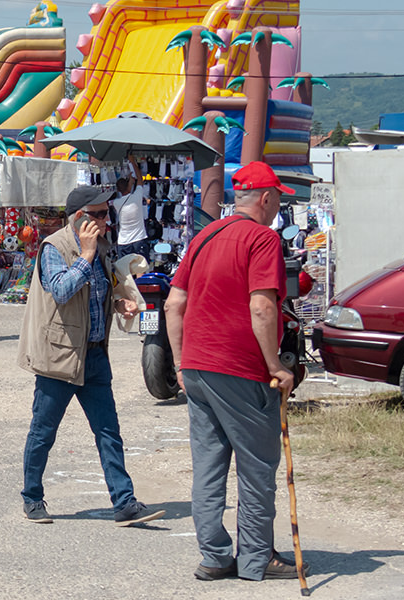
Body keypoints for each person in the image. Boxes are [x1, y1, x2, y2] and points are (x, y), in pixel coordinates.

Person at [163, 161, 305, 582]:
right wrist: (275, 365)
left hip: (199, 367)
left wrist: (180, 362)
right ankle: (257, 557)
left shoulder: (205, 236)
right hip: (239, 367)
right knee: (257, 465)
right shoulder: (263, 240)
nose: (278, 207)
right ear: (266, 199)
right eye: (277, 199)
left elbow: (174, 304)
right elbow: (261, 306)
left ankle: (214, 555)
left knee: (208, 465)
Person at [16, 186, 165, 527]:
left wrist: (118, 302)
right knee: (43, 431)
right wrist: (85, 254)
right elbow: (62, 290)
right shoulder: (55, 246)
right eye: (98, 214)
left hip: (95, 354)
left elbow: (95, 293)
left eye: (106, 213)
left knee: (108, 431)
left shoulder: (101, 247)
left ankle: (124, 503)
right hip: (60, 355)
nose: (106, 220)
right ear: (79, 217)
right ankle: (32, 497)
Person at [113, 160, 150, 260]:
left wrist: (129, 182)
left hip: (123, 242)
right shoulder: (136, 197)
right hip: (139, 239)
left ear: (118, 190)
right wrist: (133, 162)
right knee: (140, 268)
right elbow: (140, 179)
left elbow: (127, 191)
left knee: (125, 271)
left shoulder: (116, 203)